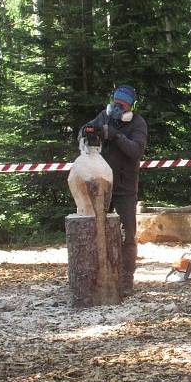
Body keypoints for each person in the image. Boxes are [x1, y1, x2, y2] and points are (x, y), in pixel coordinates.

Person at [82, 85, 148, 296]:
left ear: (131, 106)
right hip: (102, 185)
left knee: (127, 235)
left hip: (125, 187)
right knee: (95, 230)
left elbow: (136, 151)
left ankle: (126, 279)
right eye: (116, 102)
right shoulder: (104, 116)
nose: (118, 107)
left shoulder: (138, 123)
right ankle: (95, 276)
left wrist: (116, 136)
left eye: (123, 104)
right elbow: (87, 129)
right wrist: (88, 132)